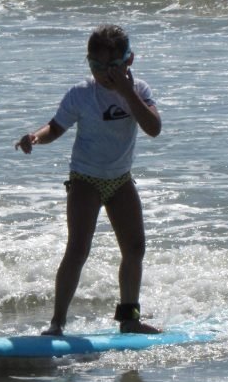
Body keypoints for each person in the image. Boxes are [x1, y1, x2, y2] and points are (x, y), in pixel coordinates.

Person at [15, 24, 162, 336]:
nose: (103, 73)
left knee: (135, 249)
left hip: (121, 180)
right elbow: (55, 127)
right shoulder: (82, 94)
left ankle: (129, 318)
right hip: (86, 179)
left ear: (129, 61)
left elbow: (153, 128)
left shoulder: (140, 92)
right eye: (95, 66)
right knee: (78, 249)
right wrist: (35, 137)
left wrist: (126, 92)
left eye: (111, 66)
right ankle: (57, 323)